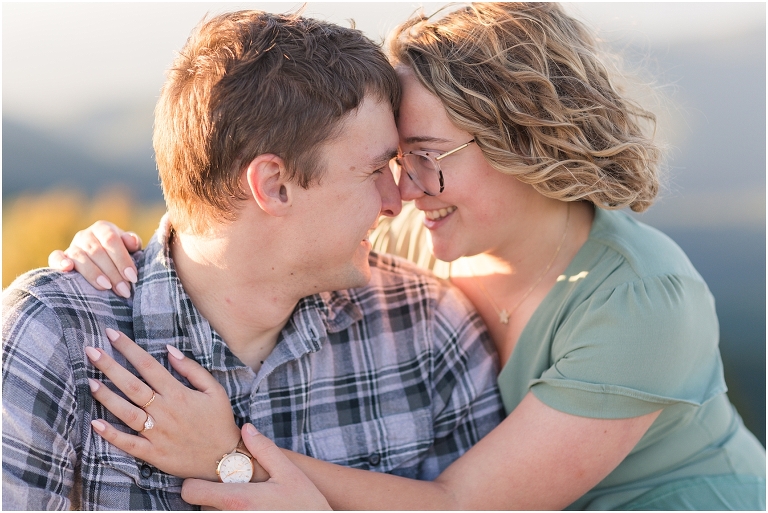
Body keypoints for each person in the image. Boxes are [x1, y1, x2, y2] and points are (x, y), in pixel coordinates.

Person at [49, 2, 766, 510]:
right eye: (392, 160)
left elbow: (461, 504)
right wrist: (128, 251)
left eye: (426, 155)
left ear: (524, 144)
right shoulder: (424, 230)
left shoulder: (642, 302)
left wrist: (227, 457)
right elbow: (267, 236)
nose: (402, 189)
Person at [1, 10, 506, 510]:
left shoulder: (429, 328)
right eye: (376, 170)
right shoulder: (54, 339)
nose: (398, 199)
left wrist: (236, 464)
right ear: (274, 185)